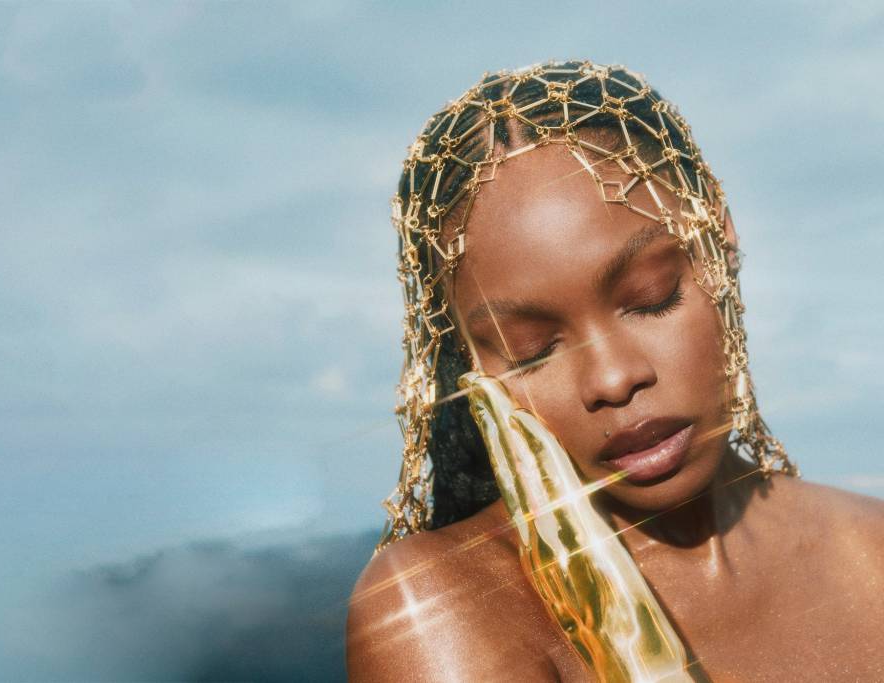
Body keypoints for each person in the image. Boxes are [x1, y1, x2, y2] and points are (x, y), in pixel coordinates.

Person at [346, 61, 884, 681]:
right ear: (471, 365)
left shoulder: (871, 555)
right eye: (532, 350)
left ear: (717, 240)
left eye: (652, 298)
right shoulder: (445, 611)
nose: (612, 378)